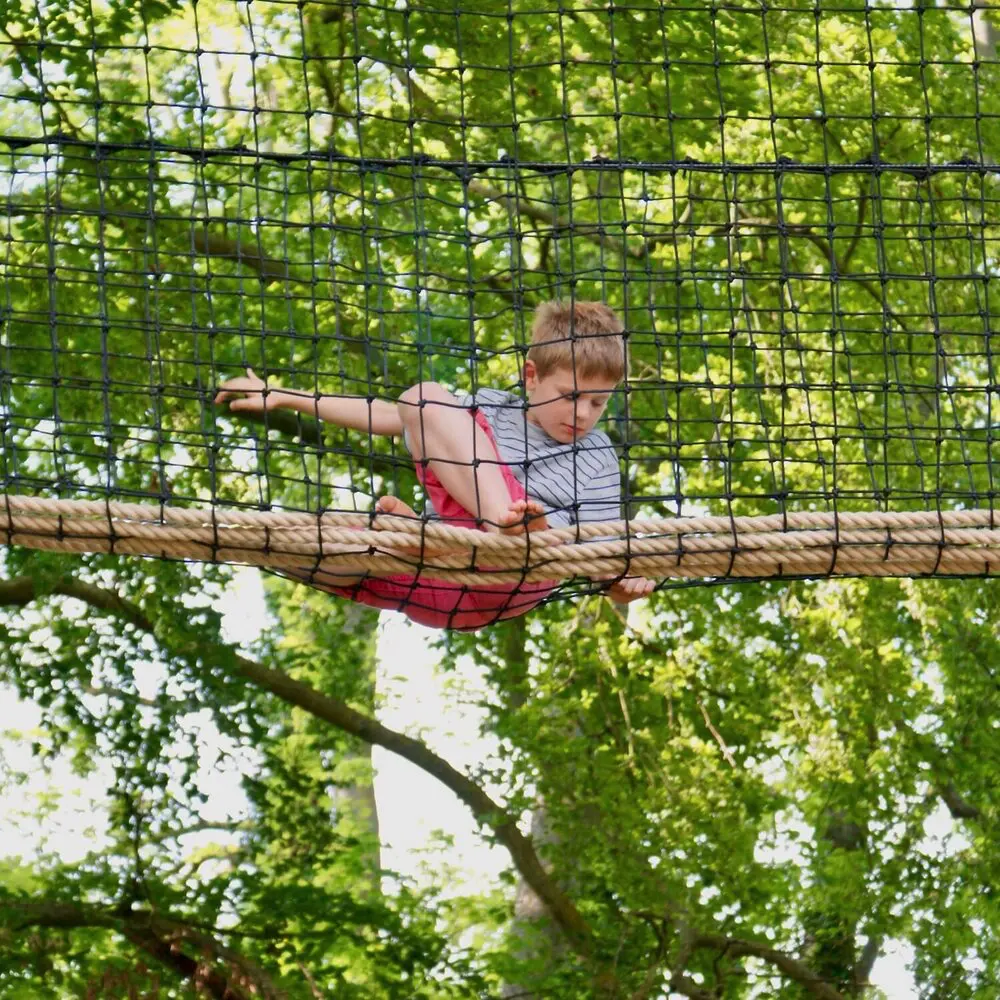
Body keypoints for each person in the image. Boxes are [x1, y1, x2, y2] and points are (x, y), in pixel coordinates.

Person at [214, 300, 654, 629]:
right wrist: (288, 396)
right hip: (442, 581)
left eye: (598, 402)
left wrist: (624, 583)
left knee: (525, 531)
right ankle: (428, 539)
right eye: (572, 396)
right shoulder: (490, 410)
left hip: (519, 569)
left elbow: (604, 558)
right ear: (531, 376)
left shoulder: (596, 456)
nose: (583, 414)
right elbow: (394, 413)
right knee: (295, 543)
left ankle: (496, 531)